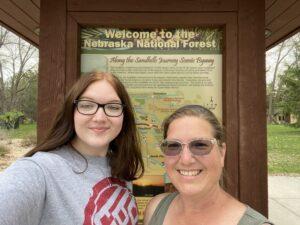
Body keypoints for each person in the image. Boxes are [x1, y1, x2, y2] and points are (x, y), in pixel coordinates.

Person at [0, 72, 144, 225]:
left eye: (113, 107)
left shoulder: (120, 168)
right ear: (71, 111)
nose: (100, 118)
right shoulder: (38, 171)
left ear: (124, 115)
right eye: (87, 105)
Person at [143, 105, 273, 225]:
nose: (186, 159)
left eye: (200, 145)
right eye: (173, 146)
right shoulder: (155, 209)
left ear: (222, 153)